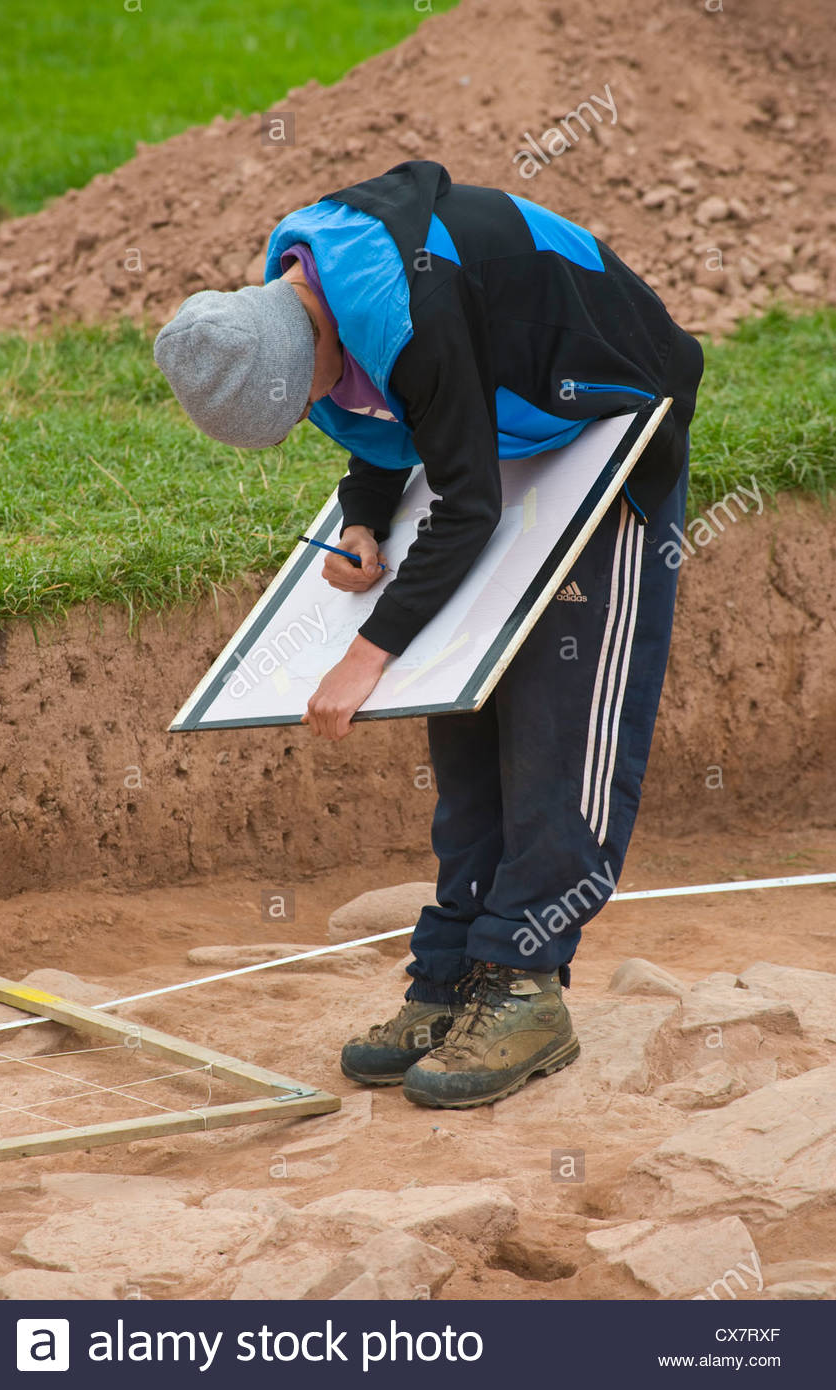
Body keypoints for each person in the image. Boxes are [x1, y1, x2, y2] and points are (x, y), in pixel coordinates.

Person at [153, 159, 704, 1110]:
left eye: (302, 399)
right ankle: (450, 973)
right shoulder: (290, 305)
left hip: (611, 427)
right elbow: (377, 425)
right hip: (496, 434)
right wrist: (362, 516)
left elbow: (467, 506)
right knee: (464, 712)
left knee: (561, 732)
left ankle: (525, 985)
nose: (309, 413)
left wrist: (364, 657)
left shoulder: (406, 307)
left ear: (311, 341)